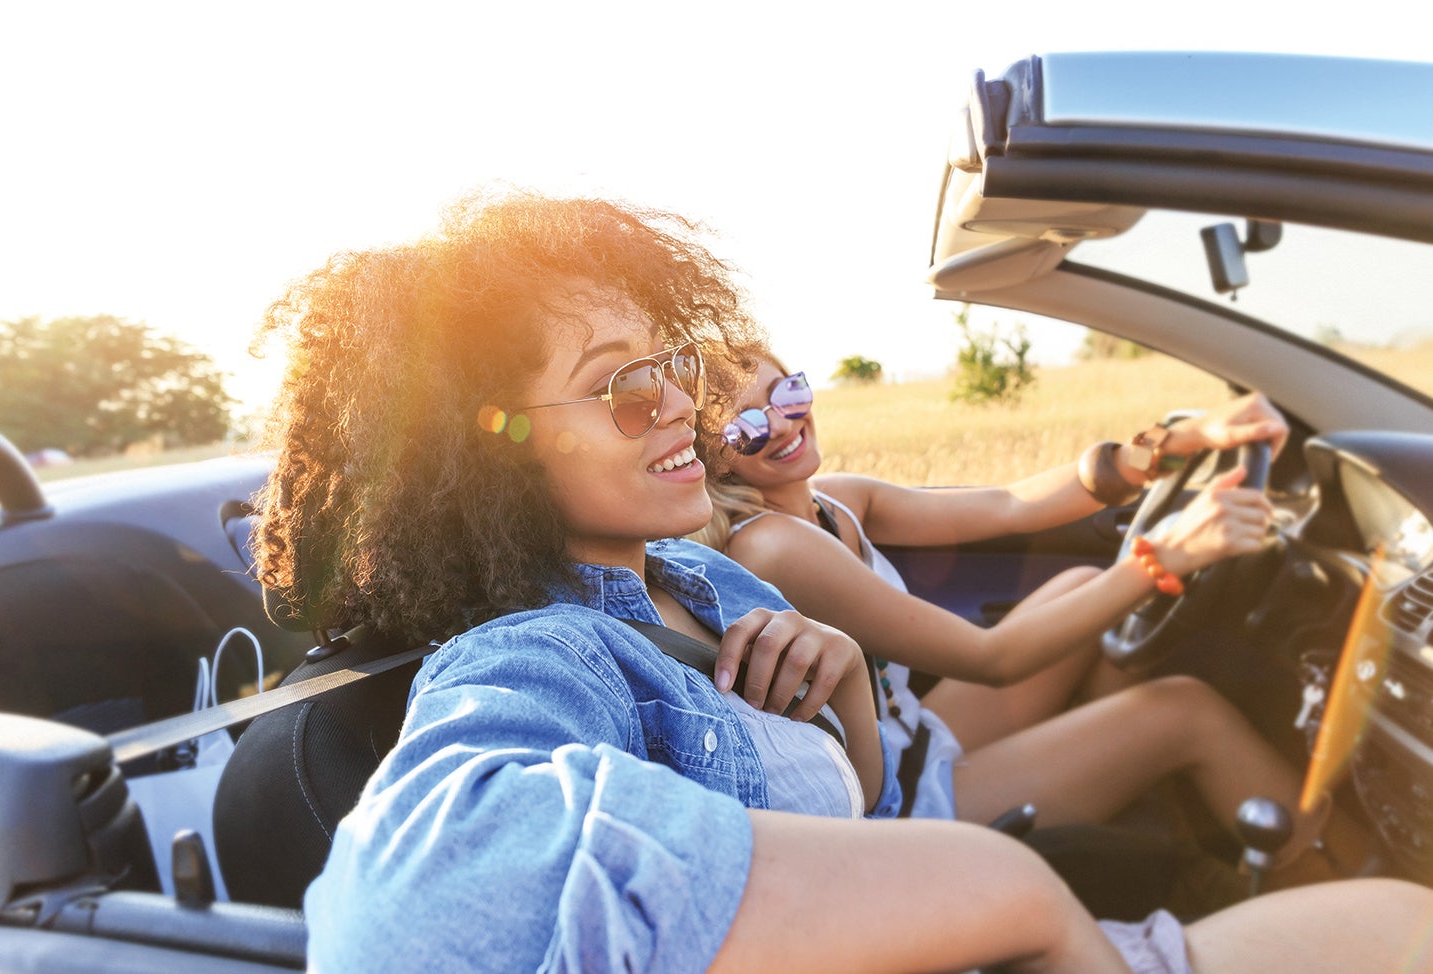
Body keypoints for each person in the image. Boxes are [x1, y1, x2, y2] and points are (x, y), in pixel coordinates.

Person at [251, 190, 1433, 973]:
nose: (678, 404)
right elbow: (415, 905)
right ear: (490, 443)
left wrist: (853, 700)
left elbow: (853, 802)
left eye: (664, 364)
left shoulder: (704, 581)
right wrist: (1002, 883)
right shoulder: (537, 652)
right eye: (619, 386)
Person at [695, 354, 1376, 875]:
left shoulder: (834, 501)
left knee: (1080, 581)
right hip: (891, 803)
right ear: (713, 457)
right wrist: (1167, 553)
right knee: (1186, 710)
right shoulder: (775, 545)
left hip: (912, 732)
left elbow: (1012, 505)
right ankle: (1348, 880)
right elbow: (994, 660)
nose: (782, 424)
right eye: (747, 425)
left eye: (787, 392)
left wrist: (1175, 441)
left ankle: (1147, 812)